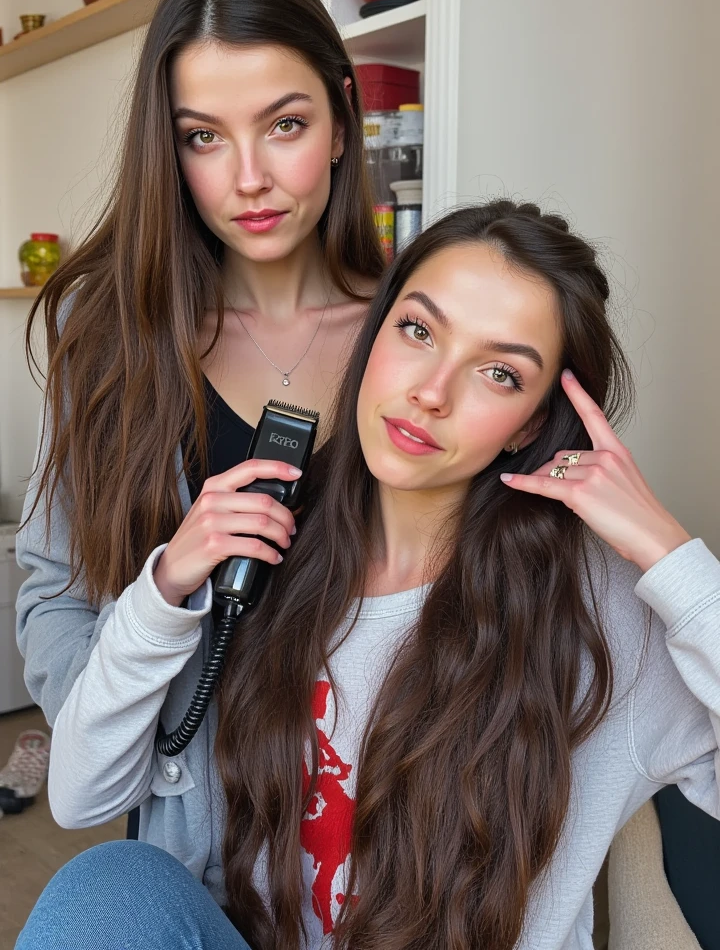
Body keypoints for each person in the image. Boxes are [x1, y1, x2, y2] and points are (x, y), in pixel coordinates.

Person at [17, 200, 720, 950]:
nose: (431, 391)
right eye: (418, 330)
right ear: (372, 335)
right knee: (107, 890)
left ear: (530, 423)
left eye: (499, 373)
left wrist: (671, 557)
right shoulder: (274, 541)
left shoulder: (602, 615)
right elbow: (80, 793)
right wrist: (163, 596)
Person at [15, 0, 383, 841]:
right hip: (195, 844)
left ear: (341, 118)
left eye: (284, 124)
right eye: (204, 137)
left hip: (385, 843)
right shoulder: (108, 346)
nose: (247, 176)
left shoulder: (422, 338)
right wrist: (115, 740)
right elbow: (54, 598)